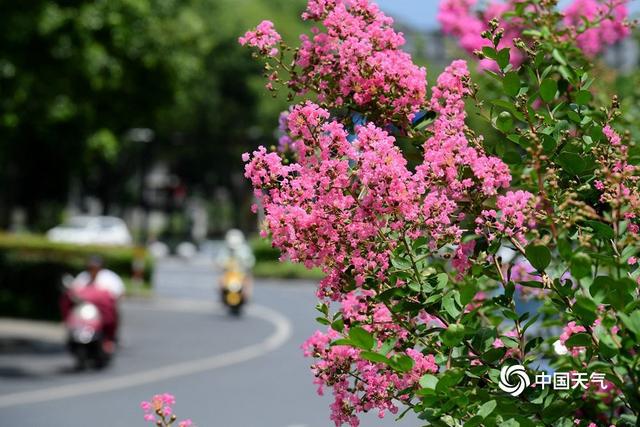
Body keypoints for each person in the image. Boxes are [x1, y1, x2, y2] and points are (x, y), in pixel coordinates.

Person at [62, 256, 124, 353]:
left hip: (101, 312)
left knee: (111, 316)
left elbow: (116, 294)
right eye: (91, 267)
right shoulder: (83, 277)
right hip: (85, 309)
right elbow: (74, 290)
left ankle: (108, 339)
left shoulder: (109, 278)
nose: (93, 269)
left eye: (95, 267)